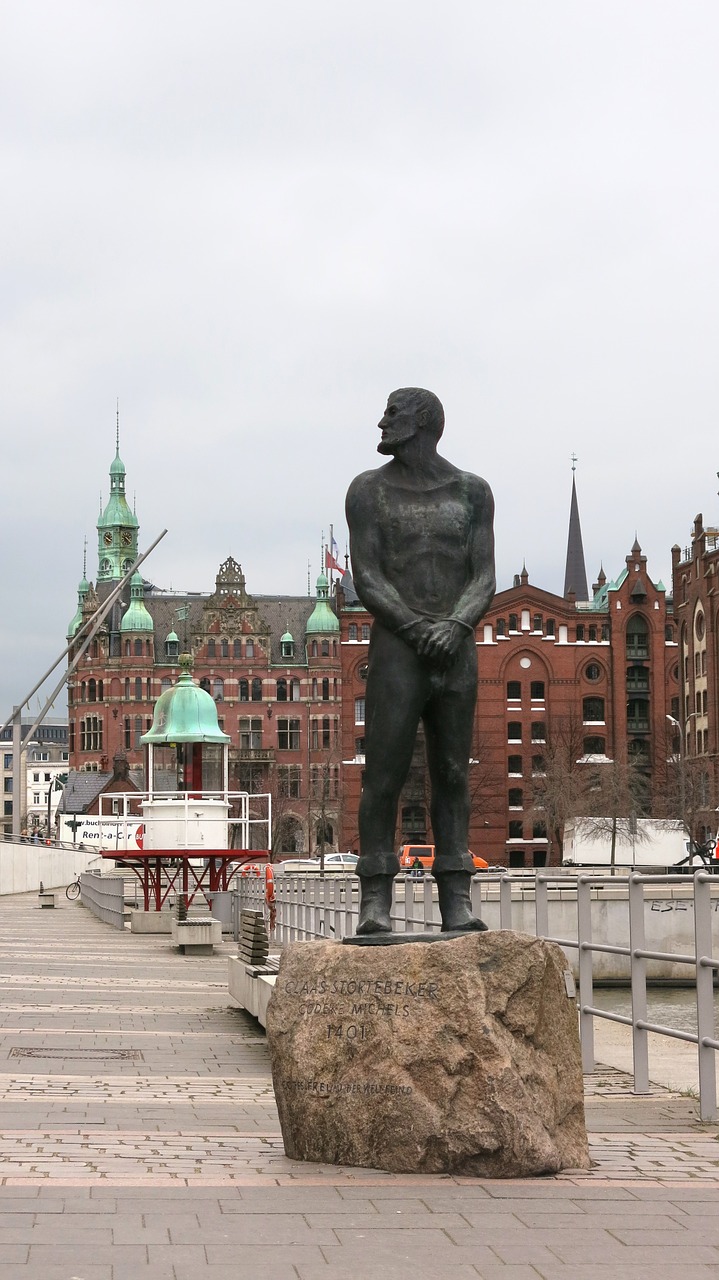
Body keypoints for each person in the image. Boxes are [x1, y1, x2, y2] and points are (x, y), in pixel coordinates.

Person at [345, 387, 495, 935]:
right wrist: (414, 628)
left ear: (424, 423)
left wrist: (455, 625)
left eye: (393, 414)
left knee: (453, 773)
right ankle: (375, 903)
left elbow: (484, 576)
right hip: (397, 651)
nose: (381, 421)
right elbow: (368, 576)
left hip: (456, 649)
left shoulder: (473, 493)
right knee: (382, 774)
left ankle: (456, 900)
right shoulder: (367, 492)